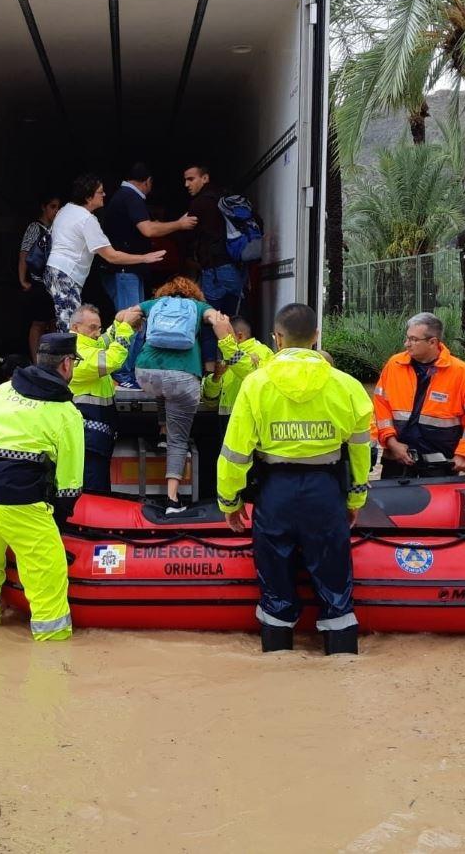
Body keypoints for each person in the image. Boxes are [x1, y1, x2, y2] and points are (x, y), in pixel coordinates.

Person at [216, 303, 373, 655]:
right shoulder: (347, 386)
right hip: (326, 493)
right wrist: (355, 500)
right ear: (316, 337)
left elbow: (234, 454)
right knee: (336, 589)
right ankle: (343, 667)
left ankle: (277, 670)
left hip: (275, 494)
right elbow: (362, 454)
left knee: (275, 589)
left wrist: (230, 502)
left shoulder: (256, 385)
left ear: (277, 338)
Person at [0, 332, 85, 641]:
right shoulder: (66, 413)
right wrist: (57, 521)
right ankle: (52, 660)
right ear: (66, 364)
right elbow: (69, 483)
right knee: (47, 582)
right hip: (21, 502)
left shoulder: (0, 392)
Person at [99, 163, 197, 388]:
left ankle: (127, 371)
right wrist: (180, 224)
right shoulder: (131, 197)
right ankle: (123, 373)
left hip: (126, 271)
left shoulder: (121, 197)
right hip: (125, 272)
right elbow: (148, 230)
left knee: (133, 321)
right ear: (147, 181)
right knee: (130, 322)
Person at [134, 277, 224, 514]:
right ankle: (172, 501)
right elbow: (217, 320)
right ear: (194, 293)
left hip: (145, 373)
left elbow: (125, 314)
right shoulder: (198, 307)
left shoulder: (154, 304)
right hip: (183, 378)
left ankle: (162, 428)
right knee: (178, 441)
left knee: (162, 387)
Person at [372, 312, 465, 478]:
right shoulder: (394, 365)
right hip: (397, 461)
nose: (407, 344)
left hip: (440, 465)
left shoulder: (459, 372)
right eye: (407, 338)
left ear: (432, 342)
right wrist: (391, 442)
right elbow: (380, 408)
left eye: (413, 339)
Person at [44, 173, 166, 331]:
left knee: (66, 318)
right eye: (100, 192)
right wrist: (144, 258)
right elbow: (112, 256)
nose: (104, 195)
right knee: (70, 324)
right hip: (66, 273)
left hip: (52, 270)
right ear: (88, 197)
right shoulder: (87, 219)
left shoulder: (65, 210)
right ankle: (67, 356)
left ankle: (67, 354)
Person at [68, 303, 140, 492]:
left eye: (98, 327)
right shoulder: (75, 352)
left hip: (96, 435)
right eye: (92, 328)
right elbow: (111, 360)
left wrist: (117, 323)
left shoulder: (87, 343)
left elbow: (104, 341)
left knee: (98, 484)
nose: (97, 333)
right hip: (87, 438)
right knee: (93, 489)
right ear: (76, 327)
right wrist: (126, 328)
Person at [183, 163, 245, 371]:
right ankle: (235, 369)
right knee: (234, 321)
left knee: (210, 323)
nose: (186, 184)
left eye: (191, 179)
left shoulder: (199, 204)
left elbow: (187, 234)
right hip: (234, 271)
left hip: (214, 272)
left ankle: (211, 372)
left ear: (205, 178)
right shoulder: (226, 198)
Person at [201, 315, 275, 438]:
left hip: (252, 419)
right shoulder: (227, 354)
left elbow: (251, 374)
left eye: (226, 336)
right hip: (227, 420)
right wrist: (216, 377)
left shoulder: (262, 352)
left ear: (239, 336)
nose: (223, 340)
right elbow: (210, 399)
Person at [18, 193, 61, 361]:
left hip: (53, 284)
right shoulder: (35, 228)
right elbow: (24, 253)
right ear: (44, 207)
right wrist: (23, 280)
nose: (56, 211)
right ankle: (37, 362)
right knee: (38, 323)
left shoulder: (56, 230)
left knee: (52, 323)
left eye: (58, 207)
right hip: (38, 283)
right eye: (53, 207)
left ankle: (49, 362)